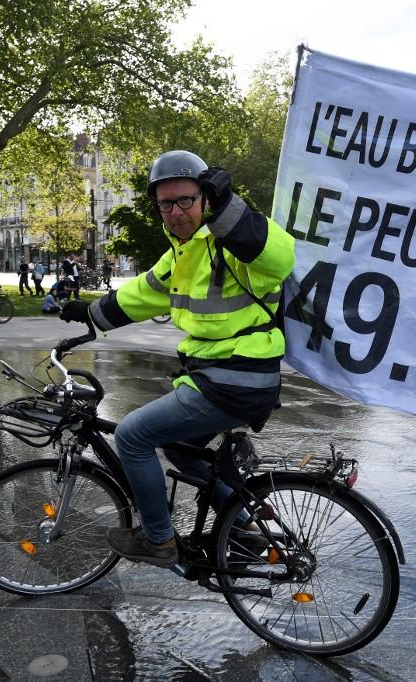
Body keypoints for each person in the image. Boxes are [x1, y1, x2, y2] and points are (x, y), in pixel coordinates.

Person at [59, 150, 295, 567]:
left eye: (186, 199)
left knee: (132, 437)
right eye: (165, 203)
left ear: (206, 198)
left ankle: (158, 541)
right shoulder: (182, 254)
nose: (176, 211)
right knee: (182, 450)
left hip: (236, 378)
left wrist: (230, 208)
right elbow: (143, 293)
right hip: (219, 377)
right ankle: (241, 525)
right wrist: (90, 312)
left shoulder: (232, 244)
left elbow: (279, 256)